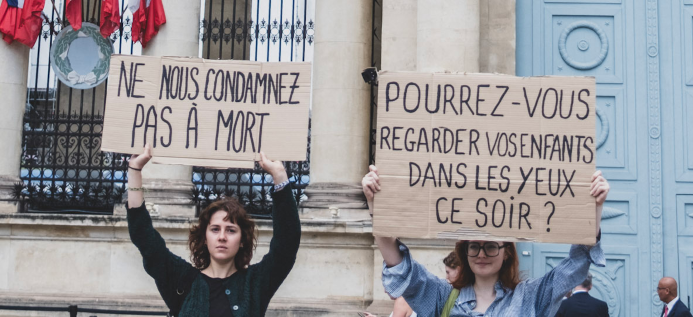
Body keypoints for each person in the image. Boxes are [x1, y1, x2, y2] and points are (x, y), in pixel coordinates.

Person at [361, 165, 609, 316]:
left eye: (490, 246)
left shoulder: (530, 296)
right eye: (474, 246)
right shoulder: (441, 296)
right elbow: (399, 266)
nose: (481, 254)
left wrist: (594, 207)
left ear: (507, 251)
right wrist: (376, 205)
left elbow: (577, 264)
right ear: (465, 252)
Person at [124, 144, 300, 317]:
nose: (222, 237)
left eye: (231, 230)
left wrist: (279, 175)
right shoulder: (182, 280)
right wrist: (135, 170)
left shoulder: (254, 284)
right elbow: (145, 239)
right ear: (205, 237)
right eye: (215, 229)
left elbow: (287, 244)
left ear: (242, 240)